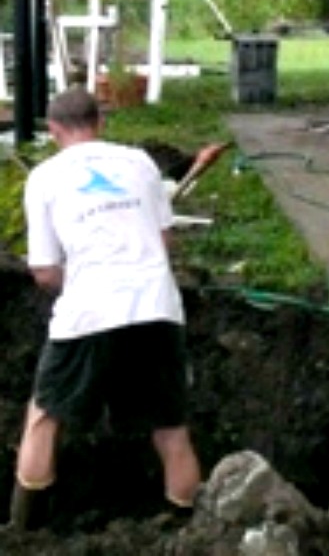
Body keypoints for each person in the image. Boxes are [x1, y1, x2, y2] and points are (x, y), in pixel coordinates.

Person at [9, 85, 201, 531]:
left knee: (44, 417)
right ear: (101, 122)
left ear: (54, 130)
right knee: (171, 429)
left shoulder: (45, 178)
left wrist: (72, 283)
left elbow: (43, 271)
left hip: (88, 312)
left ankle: (24, 531)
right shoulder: (139, 162)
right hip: (157, 306)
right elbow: (165, 240)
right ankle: (189, 530)